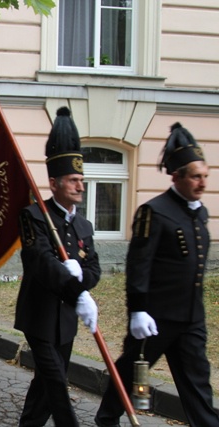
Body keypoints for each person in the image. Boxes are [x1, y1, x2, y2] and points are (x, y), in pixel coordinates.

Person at [95, 123, 219, 427]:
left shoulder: (199, 212)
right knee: (130, 371)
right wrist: (137, 310)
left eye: (205, 176)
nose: (202, 183)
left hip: (190, 318)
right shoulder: (154, 211)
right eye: (195, 176)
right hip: (156, 318)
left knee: (198, 383)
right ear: (176, 176)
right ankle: (108, 417)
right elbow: (139, 265)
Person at [15, 107, 100, 426]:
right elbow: (40, 263)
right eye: (73, 180)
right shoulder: (33, 216)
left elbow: (94, 268)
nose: (80, 186)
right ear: (54, 182)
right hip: (38, 317)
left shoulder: (85, 226)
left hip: (65, 321)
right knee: (57, 385)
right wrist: (74, 287)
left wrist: (83, 283)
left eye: (81, 180)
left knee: (45, 387)